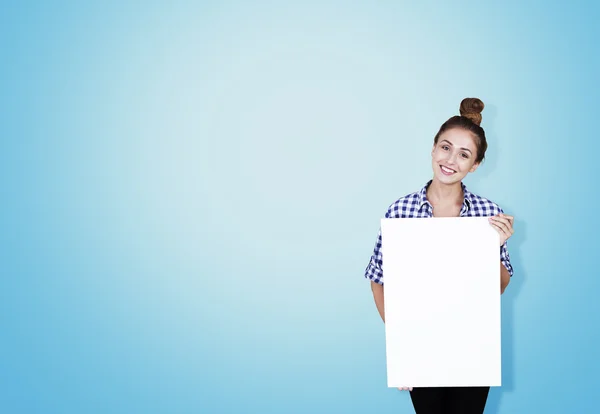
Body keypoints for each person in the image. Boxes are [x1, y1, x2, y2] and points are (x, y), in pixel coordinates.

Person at [364, 97, 515, 414]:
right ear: (433, 149)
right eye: (445, 148)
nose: (451, 160)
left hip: (473, 347)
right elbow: (378, 280)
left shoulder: (489, 214)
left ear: (474, 165)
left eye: (464, 154)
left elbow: (499, 286)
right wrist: (402, 344)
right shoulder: (400, 211)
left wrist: (494, 247)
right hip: (420, 348)